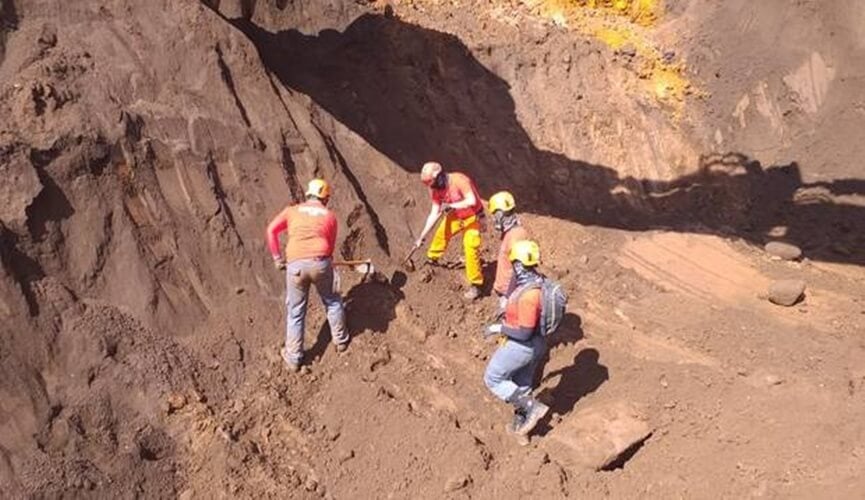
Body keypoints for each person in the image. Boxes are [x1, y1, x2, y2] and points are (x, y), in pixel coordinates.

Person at [266, 179, 348, 372]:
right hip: (321, 262)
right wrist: (325, 261)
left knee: (295, 311)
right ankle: (341, 341)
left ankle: (294, 357)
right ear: (325, 198)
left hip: (295, 265)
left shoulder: (292, 211)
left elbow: (271, 231)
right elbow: (330, 244)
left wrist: (278, 258)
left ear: (308, 194)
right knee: (333, 301)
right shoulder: (330, 216)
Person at [483, 239, 549, 437]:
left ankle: (532, 407)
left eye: (514, 263)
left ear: (520, 264)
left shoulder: (530, 296)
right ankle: (522, 428)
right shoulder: (536, 281)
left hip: (523, 345)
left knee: (493, 378)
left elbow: (524, 332)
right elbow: (513, 287)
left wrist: (498, 328)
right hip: (536, 344)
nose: (512, 266)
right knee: (522, 384)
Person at [414, 161, 485, 300]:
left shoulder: (460, 180)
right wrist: (421, 237)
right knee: (442, 233)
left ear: (439, 176)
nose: (431, 187)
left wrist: (451, 205)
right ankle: (432, 258)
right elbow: (434, 213)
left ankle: (476, 284)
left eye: (431, 183)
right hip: (457, 214)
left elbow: (471, 200)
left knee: (470, 248)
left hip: (472, 216)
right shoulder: (435, 189)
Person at [488, 191, 529, 308]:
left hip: (510, 295)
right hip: (506, 291)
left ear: (500, 215)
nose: (493, 219)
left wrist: (508, 298)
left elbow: (519, 270)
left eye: (494, 215)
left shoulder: (516, 237)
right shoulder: (511, 233)